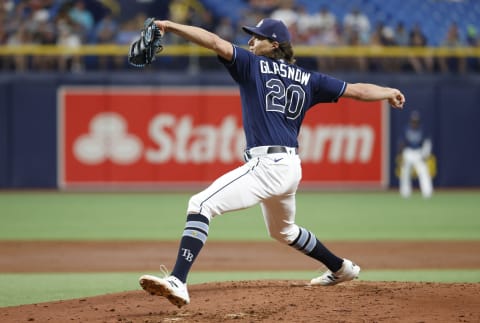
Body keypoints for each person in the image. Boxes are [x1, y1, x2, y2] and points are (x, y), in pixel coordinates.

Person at [138, 17, 405, 308]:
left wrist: (170, 26)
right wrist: (387, 92)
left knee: (200, 205)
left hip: (268, 165)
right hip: (290, 167)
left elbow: (213, 41)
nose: (251, 42)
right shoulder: (309, 78)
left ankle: (178, 280)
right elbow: (356, 90)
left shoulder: (251, 64)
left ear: (274, 44)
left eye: (257, 37)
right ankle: (342, 268)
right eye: (251, 37)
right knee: (283, 231)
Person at [398, 111, 433, 198]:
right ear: (410, 121)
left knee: (423, 172)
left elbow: (427, 142)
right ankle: (405, 193)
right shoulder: (406, 129)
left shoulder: (422, 129)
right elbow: (402, 143)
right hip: (408, 152)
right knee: (405, 173)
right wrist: (401, 155)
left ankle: (427, 192)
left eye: (416, 121)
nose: (414, 123)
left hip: (418, 152)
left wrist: (425, 154)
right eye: (413, 121)